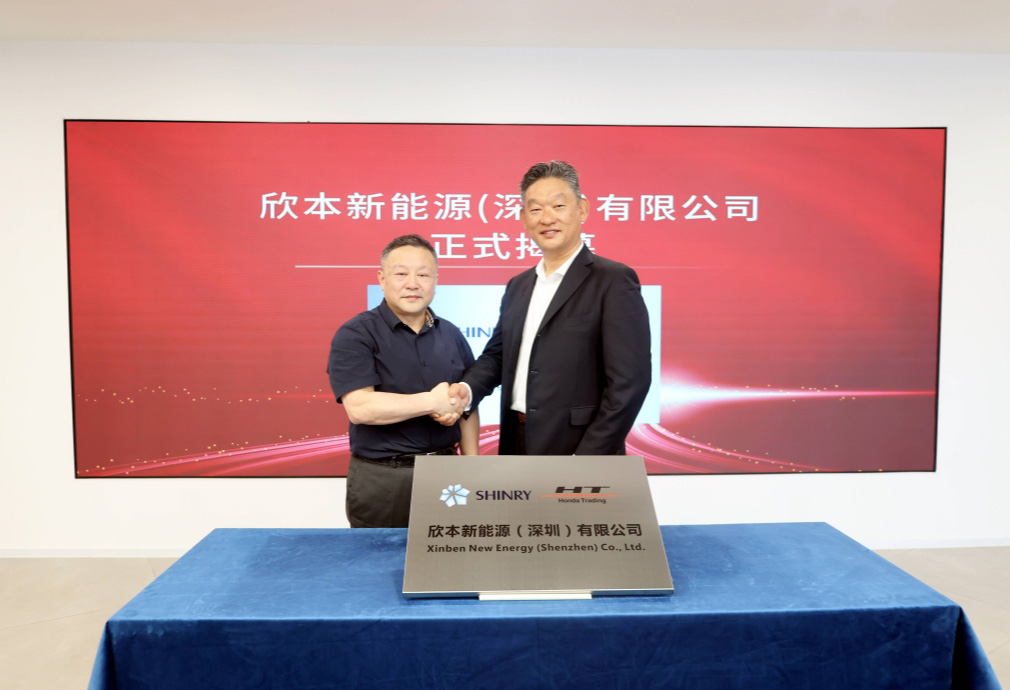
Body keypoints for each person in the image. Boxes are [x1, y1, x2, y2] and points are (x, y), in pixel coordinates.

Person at [445, 160, 650, 455]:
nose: (547, 218)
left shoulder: (613, 281)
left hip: (580, 449)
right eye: (536, 209)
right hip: (516, 441)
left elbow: (629, 383)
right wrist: (466, 390)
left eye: (558, 206)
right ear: (523, 217)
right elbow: (497, 356)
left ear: (582, 210)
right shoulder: (518, 286)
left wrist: (589, 458)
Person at [328, 234, 479, 528]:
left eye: (423, 275)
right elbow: (360, 408)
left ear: (436, 280)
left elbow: (467, 403)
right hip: (384, 478)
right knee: (380, 557)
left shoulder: (451, 334)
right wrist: (432, 402)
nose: (412, 283)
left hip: (447, 474)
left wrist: (472, 465)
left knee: (449, 555)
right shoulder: (356, 333)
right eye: (401, 274)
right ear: (382, 279)